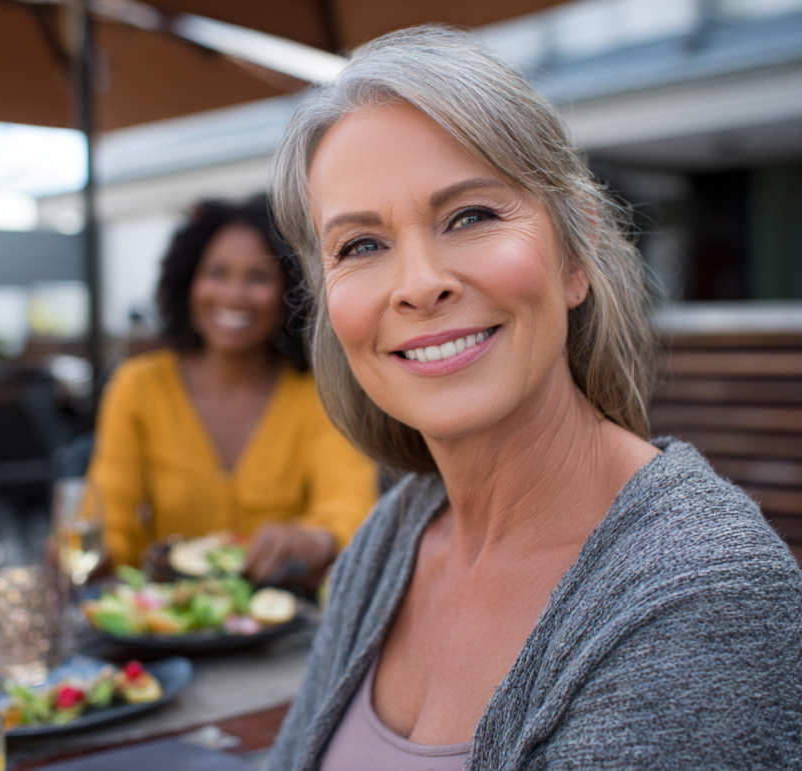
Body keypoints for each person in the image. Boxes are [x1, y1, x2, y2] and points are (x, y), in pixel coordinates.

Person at [267, 26, 802, 770]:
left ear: (575, 253)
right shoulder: (398, 530)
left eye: (471, 216)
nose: (420, 283)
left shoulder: (707, 594)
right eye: (361, 245)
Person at [86, 197, 378, 583]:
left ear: (289, 290)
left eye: (257, 278)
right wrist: (91, 550)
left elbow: (350, 506)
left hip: (285, 620)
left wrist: (313, 538)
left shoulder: (318, 393)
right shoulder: (138, 386)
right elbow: (109, 520)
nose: (233, 294)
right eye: (217, 273)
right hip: (167, 622)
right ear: (189, 281)